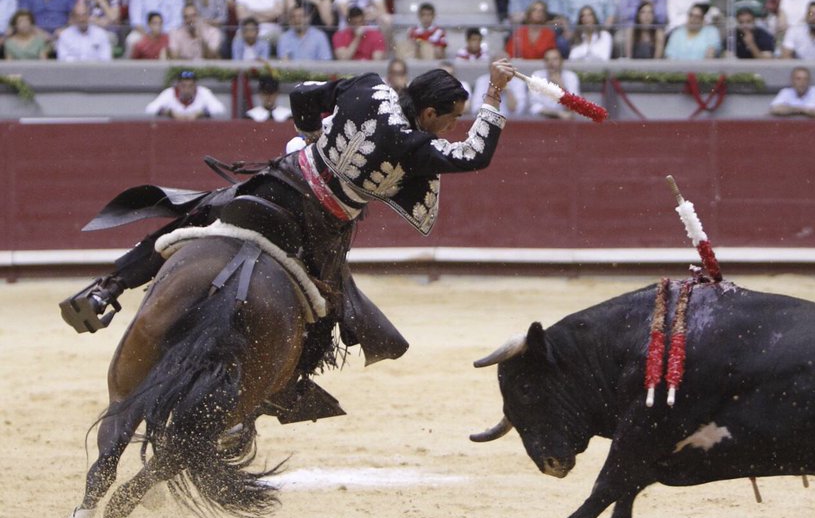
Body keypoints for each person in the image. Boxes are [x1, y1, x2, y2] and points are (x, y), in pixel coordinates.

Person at [67, 60, 518, 392]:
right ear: (428, 115)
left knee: (192, 219)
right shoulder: (412, 146)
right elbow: (474, 155)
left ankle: (107, 288)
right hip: (317, 230)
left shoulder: (370, 87)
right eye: (453, 118)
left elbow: (303, 92)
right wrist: (493, 96)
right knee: (325, 315)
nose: (453, 127)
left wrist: (310, 135)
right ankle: (281, 392)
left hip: (278, 184)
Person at [145, 69, 227, 120]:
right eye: (183, 85)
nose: (187, 89)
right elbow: (149, 110)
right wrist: (170, 113)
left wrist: (199, 113)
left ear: (195, 86)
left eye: (190, 86)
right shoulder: (169, 93)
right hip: (173, 133)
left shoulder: (203, 92)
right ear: (178, 85)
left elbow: (220, 110)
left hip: (198, 132)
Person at [528, 47, 581, 118]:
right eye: (547, 60)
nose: (551, 63)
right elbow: (535, 107)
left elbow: (574, 107)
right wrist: (558, 114)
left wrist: (562, 87)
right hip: (541, 120)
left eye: (555, 59)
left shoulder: (571, 77)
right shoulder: (537, 76)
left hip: (565, 121)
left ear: (561, 61)